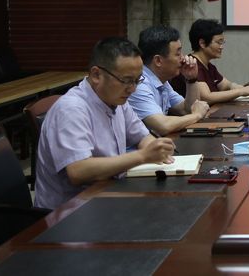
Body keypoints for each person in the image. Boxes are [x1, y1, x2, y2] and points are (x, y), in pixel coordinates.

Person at [35, 38, 176, 209]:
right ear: (96, 75)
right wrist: (142, 156)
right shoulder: (71, 109)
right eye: (126, 80)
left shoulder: (117, 99)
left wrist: (158, 150)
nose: (132, 89)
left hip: (106, 194)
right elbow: (78, 171)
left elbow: (142, 136)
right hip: (69, 212)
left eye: (137, 80)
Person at [128, 26, 210, 135]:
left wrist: (191, 79)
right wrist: (197, 115)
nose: (183, 58)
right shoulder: (139, 86)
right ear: (158, 60)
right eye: (178, 54)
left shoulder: (161, 80)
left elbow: (187, 110)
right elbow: (163, 126)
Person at [170, 19, 249, 103]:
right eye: (219, 42)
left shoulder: (209, 66)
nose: (221, 47)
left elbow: (226, 85)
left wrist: (241, 88)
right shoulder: (191, 65)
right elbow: (206, 97)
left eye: (222, 42)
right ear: (202, 43)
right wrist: (240, 92)